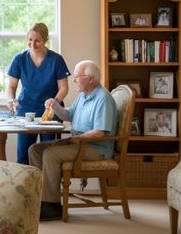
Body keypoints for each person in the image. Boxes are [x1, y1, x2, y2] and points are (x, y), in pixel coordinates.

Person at [29, 60, 117, 221]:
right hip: (80, 142)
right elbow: (68, 116)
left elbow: (100, 133)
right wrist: (55, 105)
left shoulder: (103, 98)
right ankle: (41, 199)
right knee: (35, 149)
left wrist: (75, 139)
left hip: (95, 148)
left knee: (50, 154)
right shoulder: (83, 96)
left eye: (77, 76)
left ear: (91, 79)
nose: (74, 80)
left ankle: (52, 205)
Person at [6, 23, 70, 164]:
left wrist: (55, 102)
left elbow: (64, 87)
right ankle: (26, 186)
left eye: (37, 41)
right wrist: (11, 100)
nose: (32, 44)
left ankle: (47, 186)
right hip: (26, 111)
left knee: (49, 155)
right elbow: (11, 86)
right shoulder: (19, 59)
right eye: (30, 40)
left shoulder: (56, 60)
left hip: (50, 114)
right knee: (24, 155)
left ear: (45, 40)